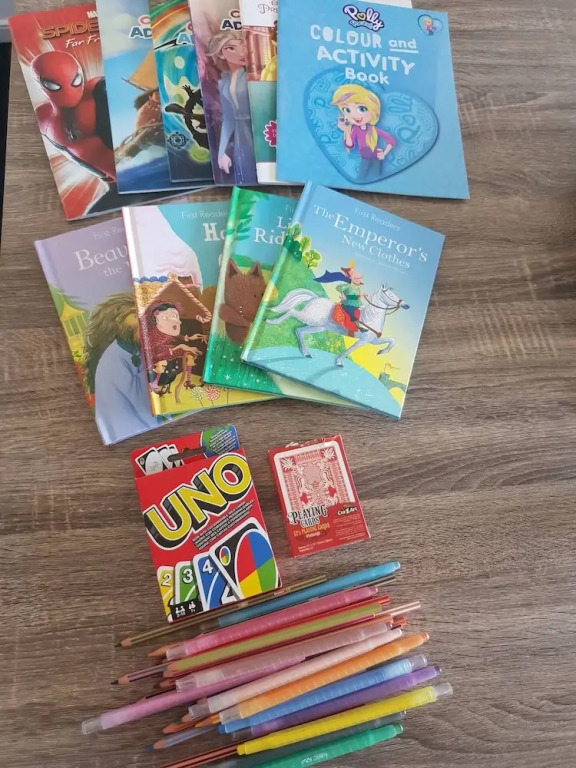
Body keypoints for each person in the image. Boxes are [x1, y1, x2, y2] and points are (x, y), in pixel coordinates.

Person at [30, 50, 117, 213]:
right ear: (40, 84)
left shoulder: (98, 91)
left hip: (136, 175)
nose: (68, 91)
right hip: (116, 185)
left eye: (75, 80)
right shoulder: (43, 117)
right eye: (53, 85)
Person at [207, 30, 256, 184]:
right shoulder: (224, 83)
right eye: (231, 48)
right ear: (220, 54)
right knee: (245, 174)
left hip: (258, 129)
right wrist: (222, 152)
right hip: (241, 136)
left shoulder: (252, 77)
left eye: (243, 47)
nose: (241, 53)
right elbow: (228, 120)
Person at [332, 84, 396, 183]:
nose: (354, 115)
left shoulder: (374, 129)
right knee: (361, 177)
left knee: (377, 177)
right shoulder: (355, 130)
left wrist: (384, 153)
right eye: (347, 110)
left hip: (376, 157)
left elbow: (391, 140)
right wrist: (346, 130)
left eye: (361, 109)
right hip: (364, 157)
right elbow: (350, 145)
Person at [146, 303, 207, 390]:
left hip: (168, 349)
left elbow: (182, 337)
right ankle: (155, 382)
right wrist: (181, 346)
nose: (174, 321)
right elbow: (151, 351)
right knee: (162, 363)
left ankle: (188, 381)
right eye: (165, 317)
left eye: (175, 316)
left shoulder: (169, 331)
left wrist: (194, 337)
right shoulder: (153, 336)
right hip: (154, 353)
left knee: (189, 355)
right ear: (156, 320)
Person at [315, 262, 367, 334]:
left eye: (359, 279)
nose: (359, 280)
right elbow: (338, 288)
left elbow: (356, 297)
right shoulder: (348, 286)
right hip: (347, 304)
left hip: (355, 305)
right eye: (356, 279)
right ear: (352, 279)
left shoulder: (358, 289)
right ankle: (359, 327)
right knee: (351, 312)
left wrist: (361, 296)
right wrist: (343, 295)